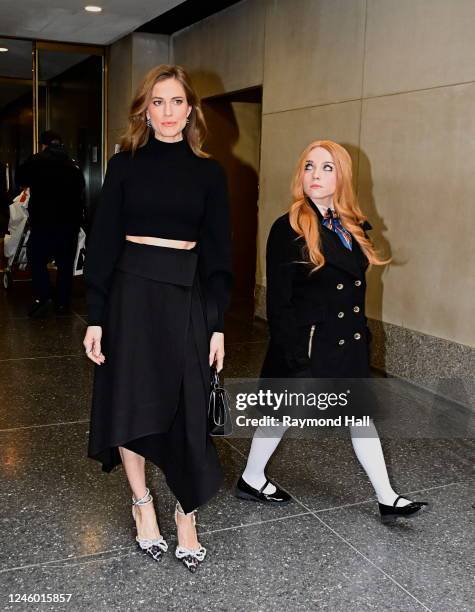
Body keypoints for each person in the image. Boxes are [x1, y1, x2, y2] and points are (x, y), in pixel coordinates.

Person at [83, 64, 232, 572]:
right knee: (130, 398)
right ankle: (142, 504)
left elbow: (218, 255)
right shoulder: (125, 166)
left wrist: (216, 323)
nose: (168, 112)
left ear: (190, 109)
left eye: (176, 102)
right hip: (131, 294)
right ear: (145, 110)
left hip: (186, 293)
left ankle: (186, 512)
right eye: (158, 102)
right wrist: (96, 316)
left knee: (189, 404)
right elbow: (102, 244)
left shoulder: (210, 172)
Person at [234, 140, 428, 523]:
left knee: (360, 417)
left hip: (345, 343)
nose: (315, 175)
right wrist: (294, 357)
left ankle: (387, 497)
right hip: (307, 342)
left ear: (342, 177)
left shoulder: (351, 225)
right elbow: (279, 301)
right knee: (278, 415)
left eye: (326, 168)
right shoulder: (287, 226)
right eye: (309, 167)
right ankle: (252, 477)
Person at [16, 130, 85, 316]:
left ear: (43, 145)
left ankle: (43, 295)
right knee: (65, 263)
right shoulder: (73, 165)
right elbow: (81, 191)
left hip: (44, 222)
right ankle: (62, 304)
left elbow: (20, 178)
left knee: (35, 257)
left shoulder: (36, 160)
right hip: (68, 224)